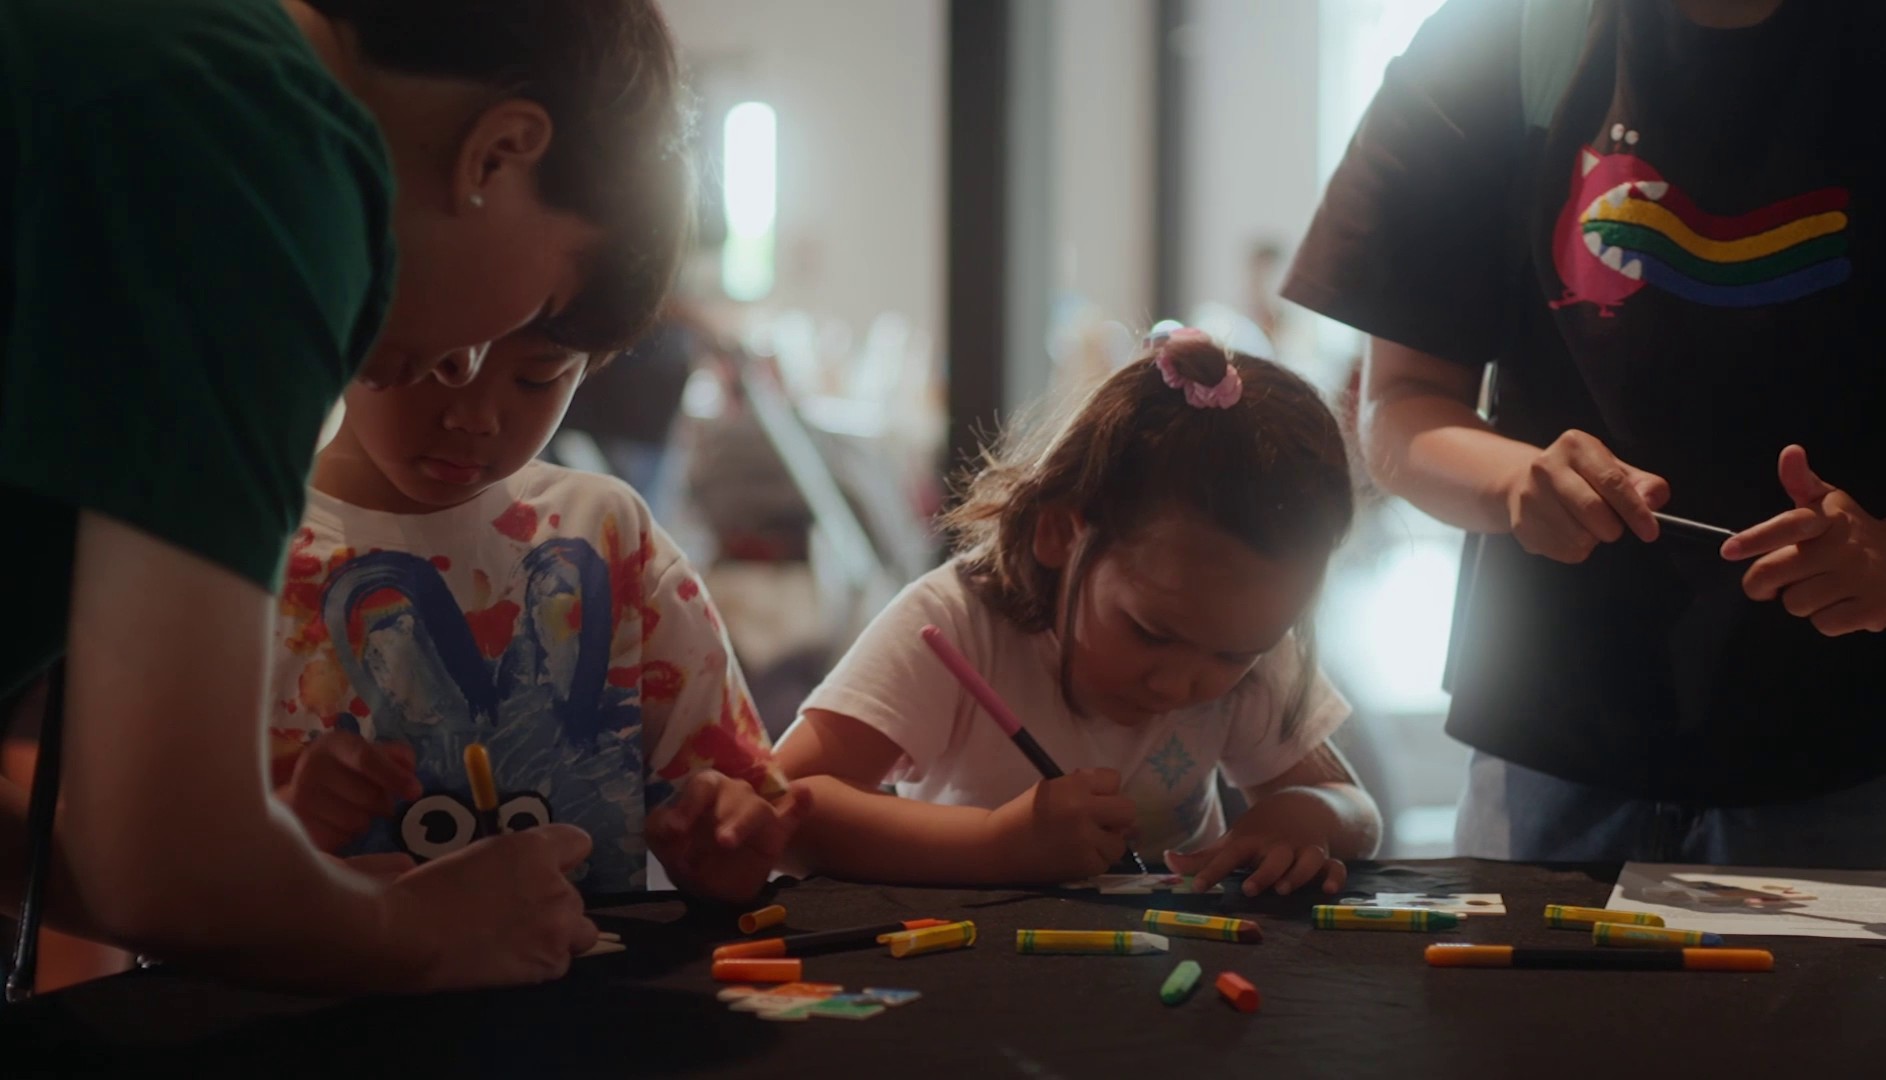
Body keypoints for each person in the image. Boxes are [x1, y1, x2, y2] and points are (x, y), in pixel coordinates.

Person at [0, 0, 693, 993]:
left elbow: (139, 863)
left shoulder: (159, 64)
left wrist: (312, 909)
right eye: (539, 304)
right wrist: (418, 928)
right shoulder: (264, 134)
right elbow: (170, 859)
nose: (464, 365)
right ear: (497, 154)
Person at [1283, 0, 1886, 867]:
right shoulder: (1500, 41)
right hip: (1553, 745)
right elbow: (1400, 406)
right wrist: (1515, 482)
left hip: (1868, 759)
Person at [775, 329, 1380, 896]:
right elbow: (784, 802)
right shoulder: (956, 625)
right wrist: (993, 847)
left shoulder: (1244, 633)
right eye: (1150, 633)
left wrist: (1302, 818)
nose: (1178, 684)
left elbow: (1350, 806)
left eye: (1233, 655)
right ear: (1061, 531)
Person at [269, 329, 805, 902]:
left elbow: (734, 812)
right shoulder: (243, 564)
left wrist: (725, 841)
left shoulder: (606, 534)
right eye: (440, 364)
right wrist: (285, 826)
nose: (477, 417)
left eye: (536, 377)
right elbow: (173, 882)